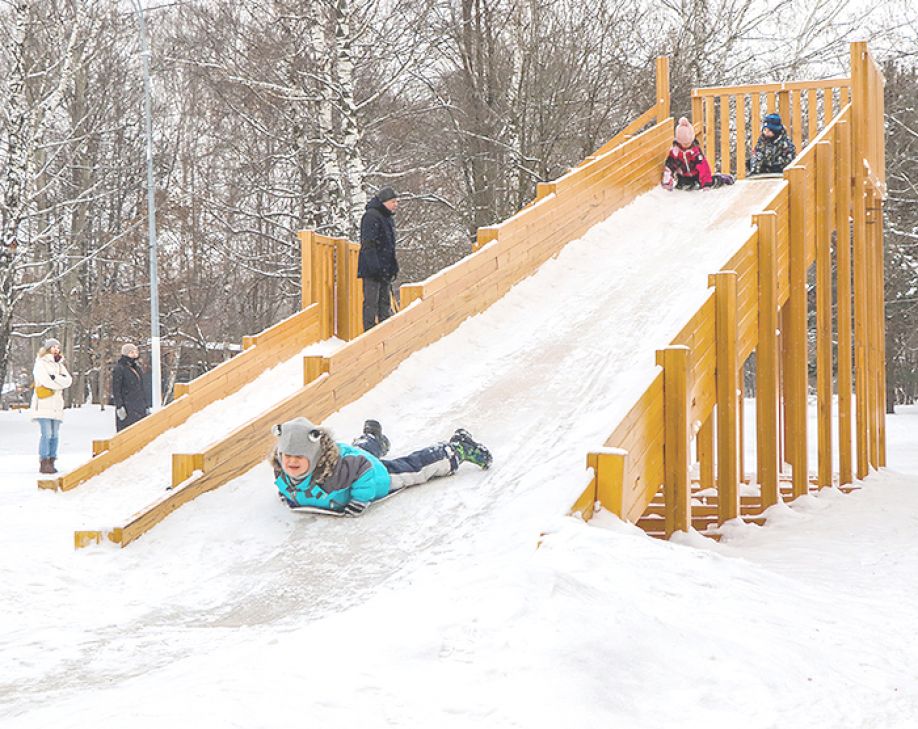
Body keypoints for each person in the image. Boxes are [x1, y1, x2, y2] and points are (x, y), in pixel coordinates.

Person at [270, 417, 492, 516]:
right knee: (361, 451)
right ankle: (372, 437)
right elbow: (284, 482)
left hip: (373, 474)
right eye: (287, 455)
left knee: (414, 469)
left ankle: (456, 449)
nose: (291, 461)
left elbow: (363, 468)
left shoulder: (337, 471)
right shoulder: (283, 469)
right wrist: (288, 495)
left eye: (298, 456)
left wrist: (360, 499)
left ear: (313, 453)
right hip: (355, 457)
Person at [358, 186, 399, 331]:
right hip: (373, 269)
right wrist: (375, 267)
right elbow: (368, 244)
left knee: (384, 302)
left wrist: (392, 265)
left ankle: (384, 331)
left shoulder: (387, 218)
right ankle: (369, 332)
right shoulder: (371, 216)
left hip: (385, 268)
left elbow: (390, 246)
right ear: (384, 202)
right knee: (371, 302)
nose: (396, 205)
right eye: (393, 201)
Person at [30, 338, 73, 474]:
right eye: (53, 347)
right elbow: (45, 381)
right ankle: (44, 461)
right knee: (46, 433)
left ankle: (52, 460)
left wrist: (56, 378)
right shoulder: (41, 363)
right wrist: (57, 382)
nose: (56, 349)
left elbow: (68, 381)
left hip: (56, 404)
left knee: (55, 434)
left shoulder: (60, 364)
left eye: (57, 347)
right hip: (44, 403)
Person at [661, 117, 735, 191]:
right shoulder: (675, 153)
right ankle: (690, 184)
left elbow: (703, 167)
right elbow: (669, 167)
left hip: (697, 175)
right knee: (683, 186)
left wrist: (706, 184)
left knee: (708, 183)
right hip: (683, 176)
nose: (686, 145)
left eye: (688, 143)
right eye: (684, 143)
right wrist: (667, 182)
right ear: (679, 141)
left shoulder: (695, 152)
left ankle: (722, 178)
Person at [112, 342, 151, 432]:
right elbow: (116, 389)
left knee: (140, 431)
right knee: (127, 431)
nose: (134, 354)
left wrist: (146, 405)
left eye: (135, 352)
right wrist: (119, 406)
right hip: (127, 406)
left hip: (139, 405)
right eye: (131, 352)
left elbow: (141, 388)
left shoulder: (137, 368)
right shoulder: (120, 368)